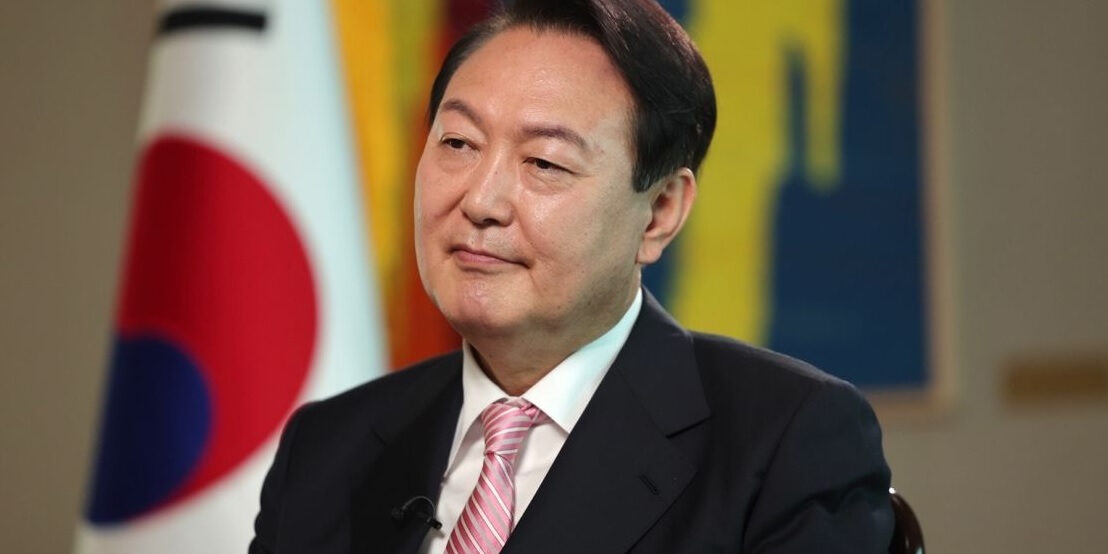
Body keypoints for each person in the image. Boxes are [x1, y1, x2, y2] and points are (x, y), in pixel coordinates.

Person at [250, 0, 894, 552]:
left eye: (544, 163)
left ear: (660, 212)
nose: (481, 201)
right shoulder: (326, 449)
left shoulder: (785, 441)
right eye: (458, 144)